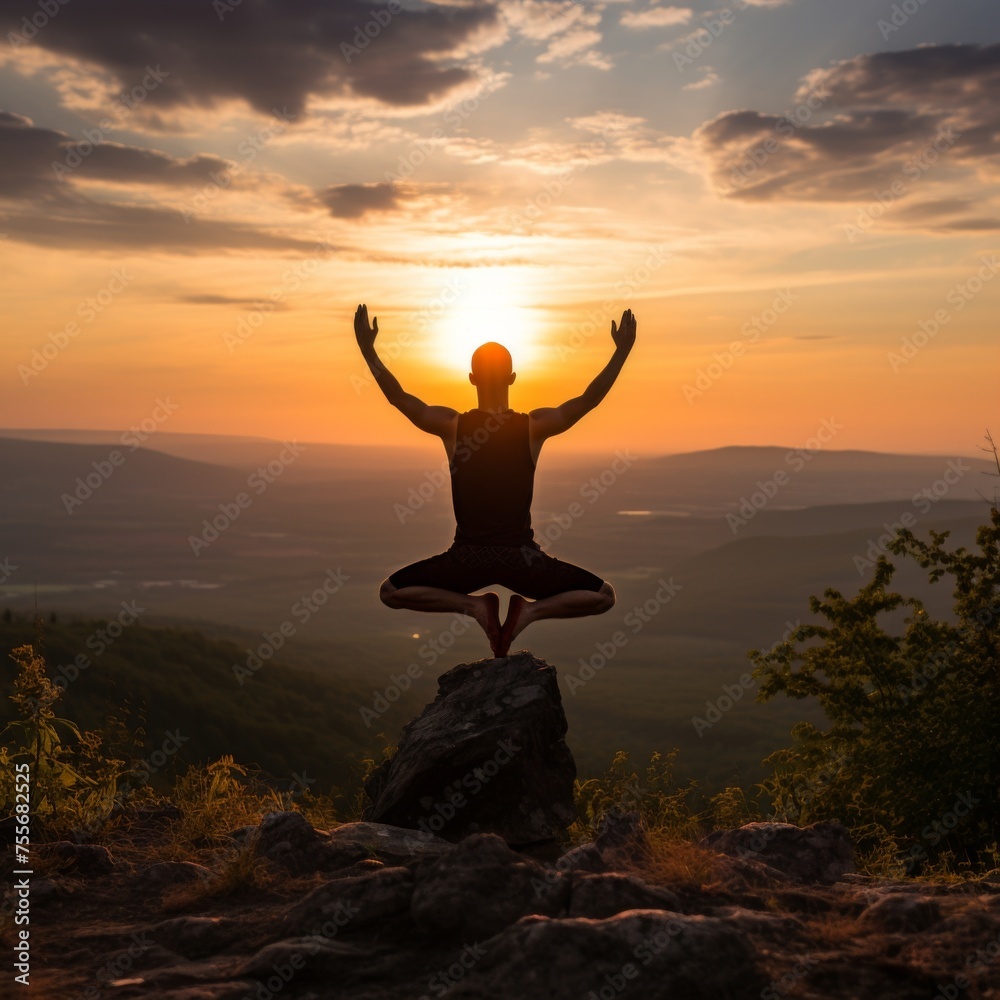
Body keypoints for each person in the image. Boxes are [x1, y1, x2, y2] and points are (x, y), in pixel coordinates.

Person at [355, 302, 636, 656]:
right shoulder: (534, 427)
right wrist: (621, 353)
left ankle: (475, 607)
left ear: (471, 379)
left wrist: (369, 351)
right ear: (513, 377)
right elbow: (587, 400)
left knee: (390, 592)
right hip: (521, 559)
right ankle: (530, 613)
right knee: (603, 596)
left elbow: (398, 398)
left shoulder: (452, 426)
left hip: (466, 557)